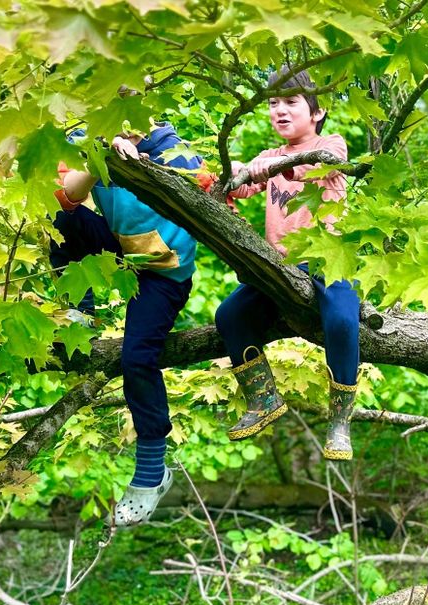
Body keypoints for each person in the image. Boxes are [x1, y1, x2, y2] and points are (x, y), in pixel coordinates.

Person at [53, 122, 202, 527]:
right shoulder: (86, 140)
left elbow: (212, 189)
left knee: (137, 358)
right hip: (120, 250)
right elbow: (69, 197)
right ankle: (80, 314)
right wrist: (100, 154)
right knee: (58, 219)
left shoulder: (173, 151)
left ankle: (152, 472)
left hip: (163, 273)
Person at [211, 67, 359, 460]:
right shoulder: (268, 156)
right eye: (274, 103)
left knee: (343, 321)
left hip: (327, 260)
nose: (280, 110)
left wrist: (279, 167)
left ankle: (340, 421)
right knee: (228, 316)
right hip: (282, 266)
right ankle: (262, 399)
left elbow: (321, 162)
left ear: (317, 111)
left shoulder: (334, 143)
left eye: (291, 102)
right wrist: (224, 175)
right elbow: (242, 185)